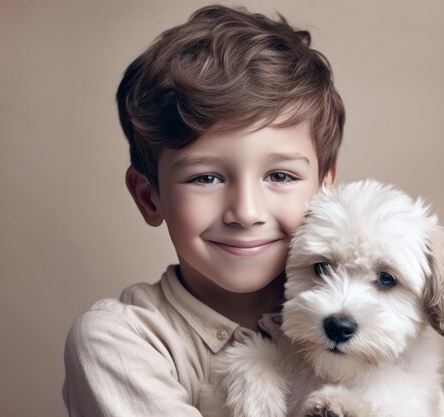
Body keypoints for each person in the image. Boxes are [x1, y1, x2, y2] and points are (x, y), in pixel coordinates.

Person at [62, 4, 344, 416]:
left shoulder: (354, 322)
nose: (246, 212)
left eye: (280, 176)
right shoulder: (117, 342)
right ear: (149, 197)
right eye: (206, 178)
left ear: (325, 191)